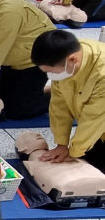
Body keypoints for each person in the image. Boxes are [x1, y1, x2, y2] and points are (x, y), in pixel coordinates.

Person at [31, 30, 105, 172]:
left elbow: (94, 118)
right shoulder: (67, 60)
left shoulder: (102, 73)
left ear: (72, 59)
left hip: (99, 122)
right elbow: (59, 105)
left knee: (93, 171)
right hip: (95, 125)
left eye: (55, 72)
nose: (52, 76)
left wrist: (73, 152)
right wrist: (62, 143)